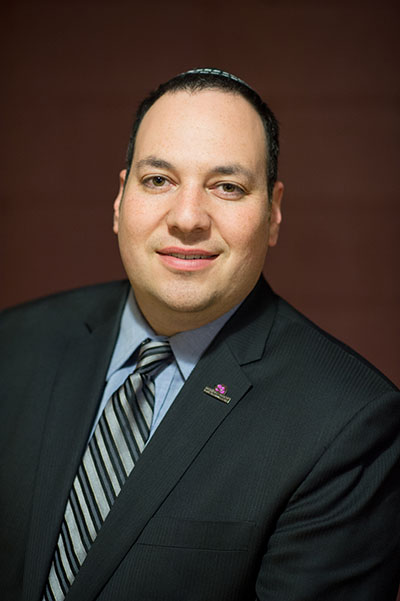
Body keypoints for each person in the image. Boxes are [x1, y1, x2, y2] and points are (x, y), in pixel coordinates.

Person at [1, 68, 399, 601]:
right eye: (158, 180)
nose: (188, 218)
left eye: (227, 187)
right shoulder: (13, 347)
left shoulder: (349, 423)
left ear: (273, 212)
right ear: (120, 200)